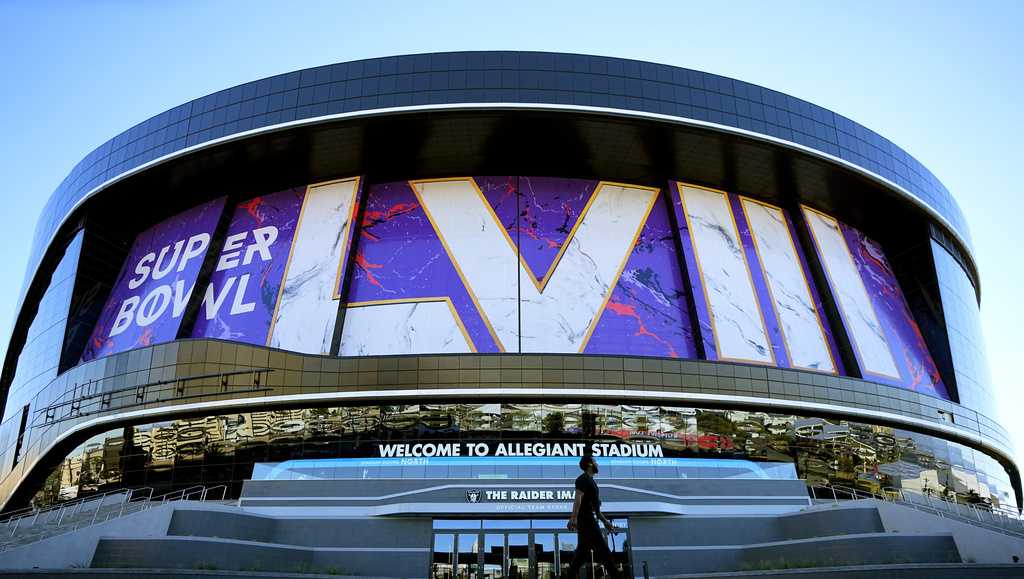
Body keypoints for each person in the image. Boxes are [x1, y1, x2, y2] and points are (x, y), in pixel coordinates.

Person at [565, 455, 619, 579]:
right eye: (595, 461)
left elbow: (597, 511)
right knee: (605, 553)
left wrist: (606, 522)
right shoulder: (583, 479)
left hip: (590, 520)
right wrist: (573, 519)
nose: (597, 464)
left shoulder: (592, 482)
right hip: (586, 521)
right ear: (590, 464)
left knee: (581, 555)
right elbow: (577, 500)